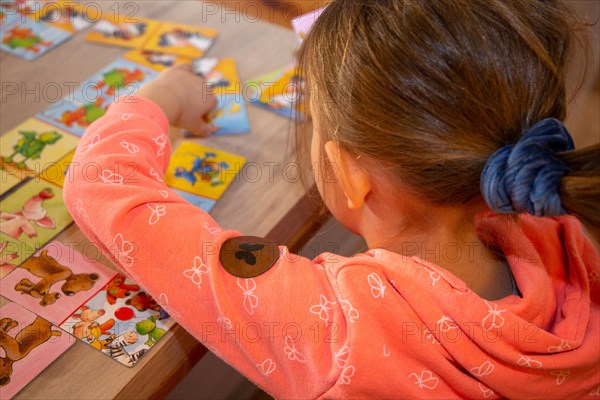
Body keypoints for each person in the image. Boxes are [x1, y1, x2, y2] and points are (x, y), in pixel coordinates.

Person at [63, 0, 599, 397]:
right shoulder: (563, 230)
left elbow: (103, 188)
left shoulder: (335, 329)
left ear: (349, 170)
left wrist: (160, 98)